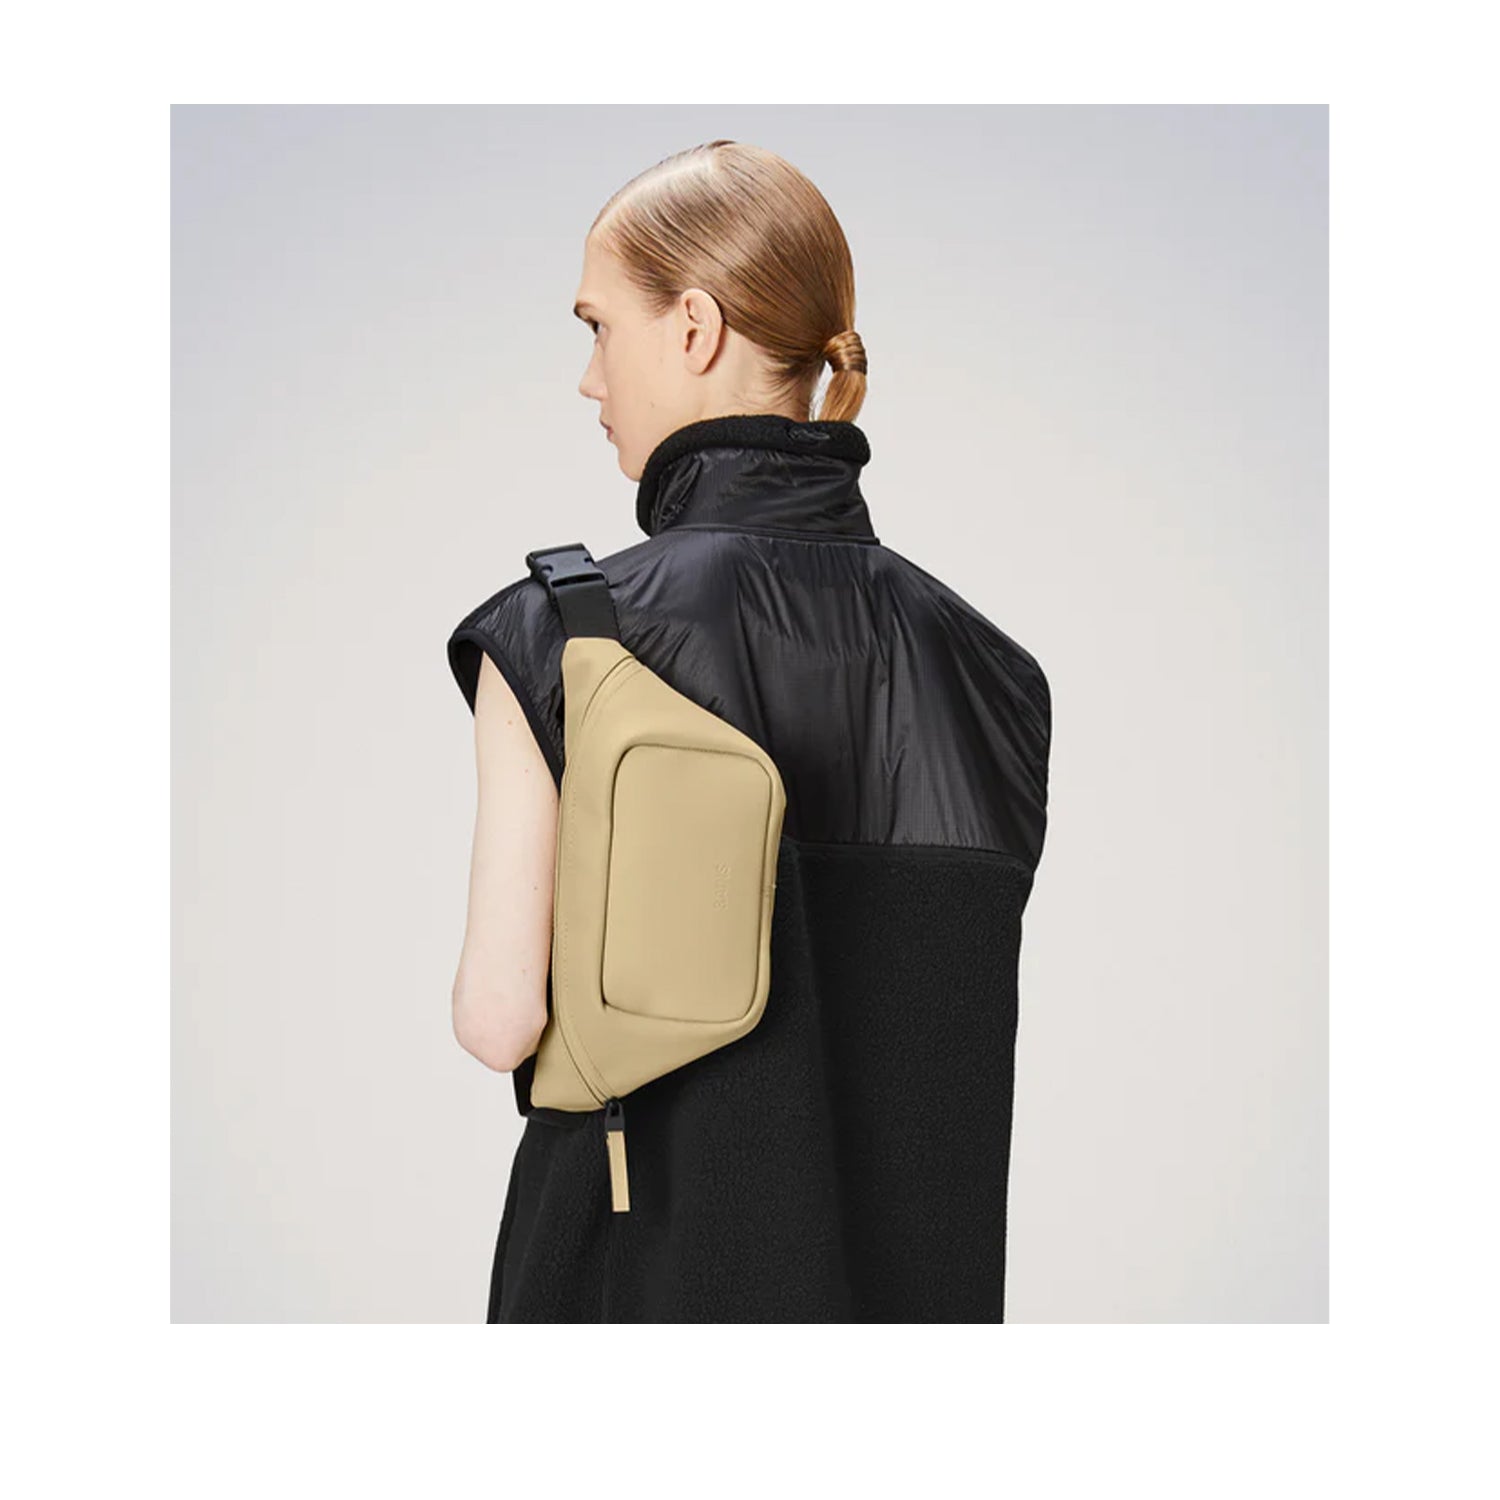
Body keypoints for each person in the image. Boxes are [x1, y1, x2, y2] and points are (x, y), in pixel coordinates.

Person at [446, 140, 1051, 1322]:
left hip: (635, 1285)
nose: (588, 380)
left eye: (598, 327)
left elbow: (499, 1018)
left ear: (693, 326)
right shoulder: (994, 670)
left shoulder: (570, 634)